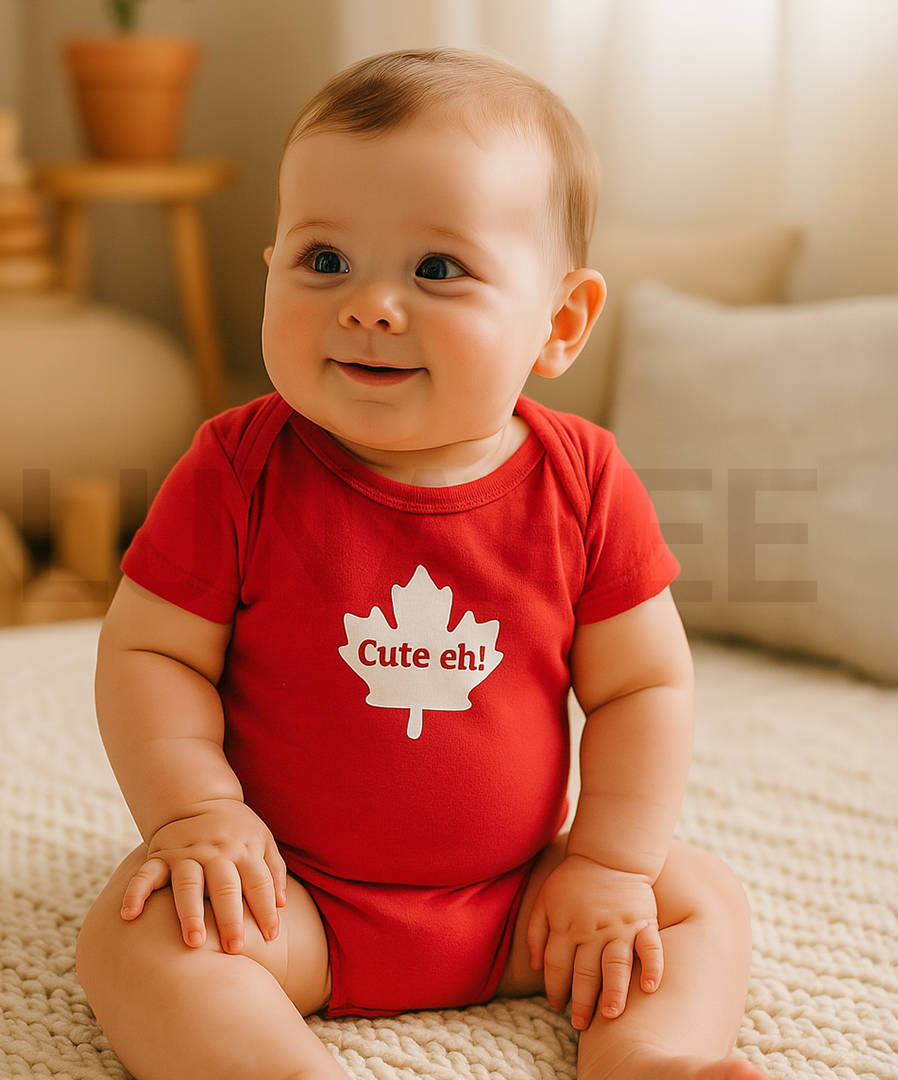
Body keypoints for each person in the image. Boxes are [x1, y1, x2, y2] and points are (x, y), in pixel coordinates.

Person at [76, 47, 767, 1080]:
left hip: (525, 900)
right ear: (270, 269)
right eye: (324, 261)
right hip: (294, 896)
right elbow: (151, 655)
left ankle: (651, 1061)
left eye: (437, 270)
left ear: (560, 322)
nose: (369, 305)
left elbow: (642, 685)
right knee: (132, 937)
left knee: (696, 898)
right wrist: (199, 815)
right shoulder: (237, 467)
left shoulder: (582, 481)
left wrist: (609, 865)